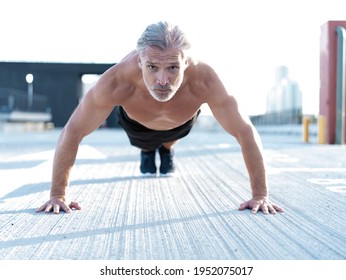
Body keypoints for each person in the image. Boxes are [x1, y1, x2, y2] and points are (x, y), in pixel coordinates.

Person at [36, 21, 284, 215]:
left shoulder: (205, 80)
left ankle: (166, 149)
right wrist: (58, 194)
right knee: (146, 143)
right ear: (140, 59)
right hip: (137, 126)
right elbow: (72, 132)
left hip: (180, 123)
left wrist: (260, 195)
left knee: (168, 140)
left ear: (185, 62)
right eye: (153, 67)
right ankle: (148, 150)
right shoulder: (115, 82)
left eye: (172, 68)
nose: (162, 80)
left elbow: (245, 131)